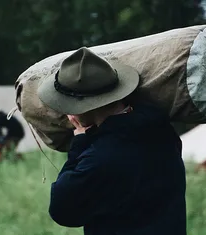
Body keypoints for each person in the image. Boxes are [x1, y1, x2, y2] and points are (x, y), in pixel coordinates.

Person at [37, 47, 186, 235]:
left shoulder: (99, 159)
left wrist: (80, 143)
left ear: (84, 107)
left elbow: (62, 209)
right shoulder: (162, 130)